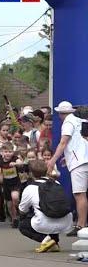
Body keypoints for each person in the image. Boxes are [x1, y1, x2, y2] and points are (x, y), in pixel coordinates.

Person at [47, 101, 88, 237]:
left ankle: (81, 225)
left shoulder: (68, 123)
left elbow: (63, 142)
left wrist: (52, 161)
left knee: (79, 194)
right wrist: (67, 157)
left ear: (60, 114)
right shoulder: (79, 121)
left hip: (79, 163)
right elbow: (80, 142)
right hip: (82, 159)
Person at [18, 159, 73, 252]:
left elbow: (22, 210)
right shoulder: (56, 183)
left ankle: (45, 239)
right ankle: (54, 242)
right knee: (50, 211)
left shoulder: (30, 188)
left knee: (22, 224)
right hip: (66, 221)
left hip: (45, 223)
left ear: (31, 174)